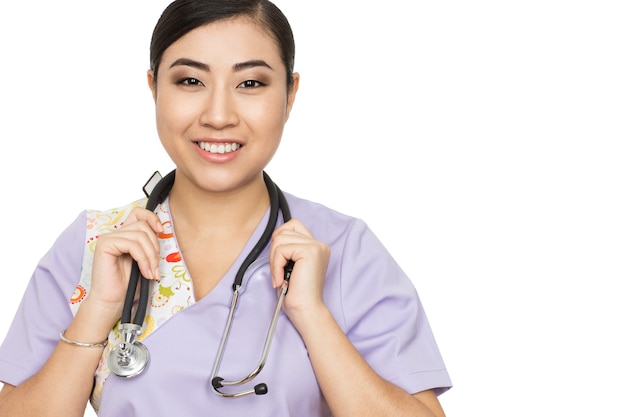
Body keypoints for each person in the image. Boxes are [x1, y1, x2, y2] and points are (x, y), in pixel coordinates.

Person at [0, 0, 452, 415]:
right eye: (190, 81)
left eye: (250, 83)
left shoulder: (343, 249)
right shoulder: (96, 243)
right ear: (154, 87)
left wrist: (312, 316)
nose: (218, 115)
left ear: (290, 94)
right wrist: (99, 308)